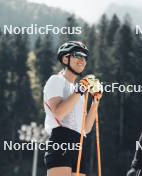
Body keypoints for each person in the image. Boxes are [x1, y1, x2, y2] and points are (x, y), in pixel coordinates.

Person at [43, 41, 102, 176]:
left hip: (79, 142)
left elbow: (86, 128)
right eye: (78, 55)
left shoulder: (79, 91)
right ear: (65, 58)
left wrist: (95, 101)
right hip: (61, 139)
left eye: (85, 57)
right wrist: (80, 89)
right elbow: (58, 113)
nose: (82, 60)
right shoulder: (56, 80)